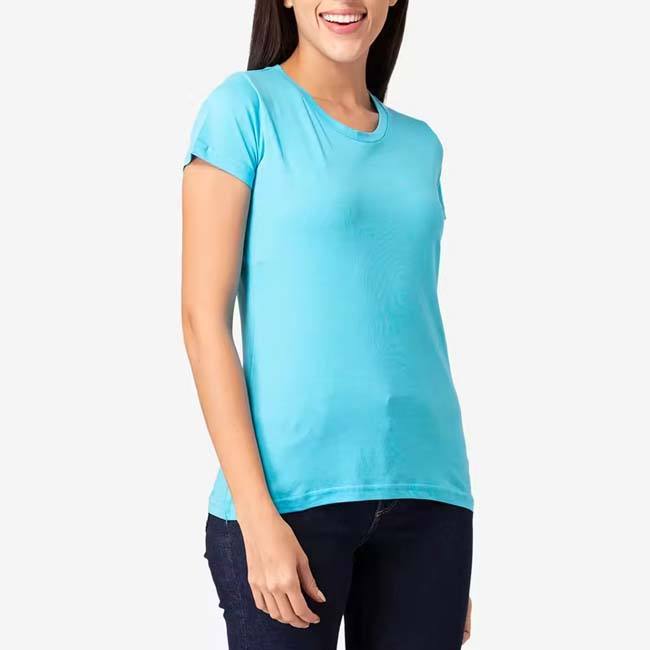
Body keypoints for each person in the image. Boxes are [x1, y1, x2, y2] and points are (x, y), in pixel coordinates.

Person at [181, 1, 474, 648]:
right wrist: (256, 516)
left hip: (430, 493)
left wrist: (450, 559)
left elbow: (404, 316)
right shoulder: (244, 110)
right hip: (288, 498)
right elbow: (203, 320)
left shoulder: (421, 145)